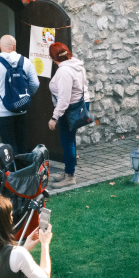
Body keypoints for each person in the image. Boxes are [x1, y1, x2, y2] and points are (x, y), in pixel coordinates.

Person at [0, 35, 40, 155]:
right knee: (22, 142)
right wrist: (26, 97)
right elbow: (35, 83)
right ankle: (25, 171)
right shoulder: (26, 62)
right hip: (21, 110)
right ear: (14, 46)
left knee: (8, 145)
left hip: (2, 111)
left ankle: (14, 172)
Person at [47, 42, 89, 188]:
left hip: (69, 109)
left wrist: (54, 117)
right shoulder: (76, 65)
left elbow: (64, 98)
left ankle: (70, 176)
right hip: (78, 105)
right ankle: (67, 172)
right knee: (68, 140)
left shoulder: (64, 71)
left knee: (67, 141)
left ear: (53, 58)